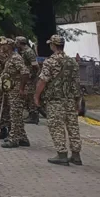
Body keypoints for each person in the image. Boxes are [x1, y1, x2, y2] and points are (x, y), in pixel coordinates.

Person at [35, 35, 82, 166]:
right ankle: (76, 155)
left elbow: (43, 81)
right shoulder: (72, 62)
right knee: (73, 126)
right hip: (70, 100)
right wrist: (77, 101)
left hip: (55, 101)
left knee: (57, 127)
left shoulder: (50, 62)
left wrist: (36, 96)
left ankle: (62, 155)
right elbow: (76, 83)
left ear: (53, 46)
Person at [0, 38, 31, 149]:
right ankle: (22, 137)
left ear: (10, 46)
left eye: (4, 45)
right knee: (16, 114)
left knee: (15, 115)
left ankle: (14, 139)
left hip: (17, 90)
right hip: (12, 90)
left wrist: (21, 88)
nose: (2, 47)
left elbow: (25, 72)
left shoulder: (16, 58)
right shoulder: (9, 58)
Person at [16, 37, 41, 124]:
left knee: (30, 96)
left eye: (17, 42)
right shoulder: (22, 52)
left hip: (31, 78)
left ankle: (34, 116)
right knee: (27, 96)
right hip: (26, 77)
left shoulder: (28, 52)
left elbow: (35, 66)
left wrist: (33, 76)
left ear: (20, 43)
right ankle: (31, 114)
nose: (16, 44)